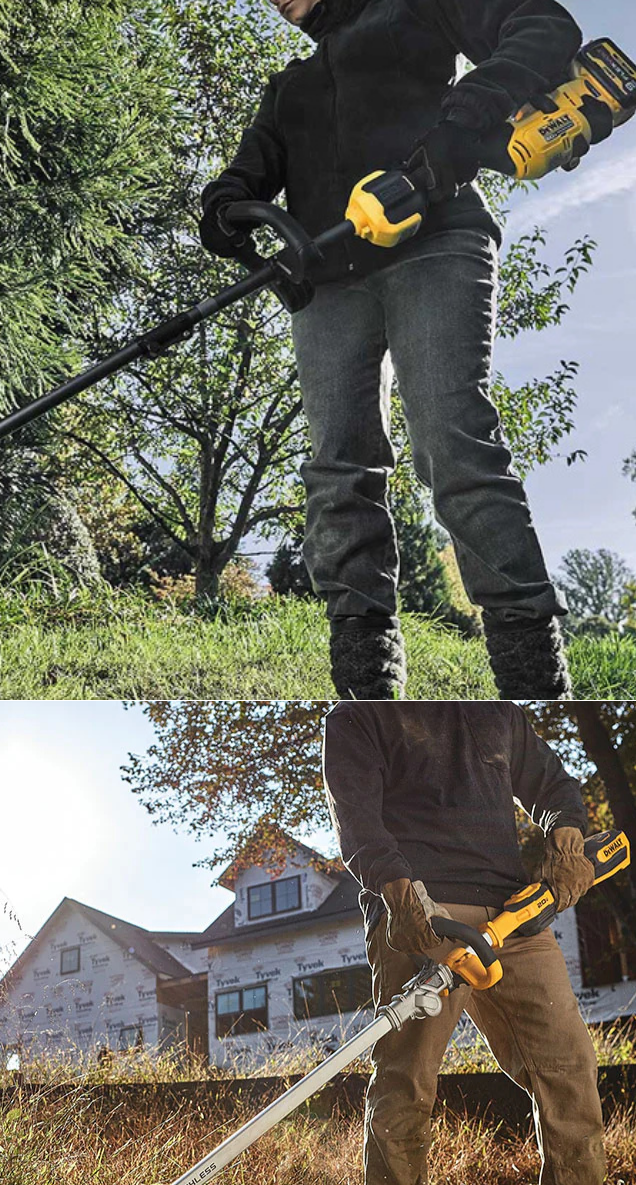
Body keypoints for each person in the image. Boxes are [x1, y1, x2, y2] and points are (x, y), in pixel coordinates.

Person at [199, 0, 588, 700]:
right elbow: (250, 170)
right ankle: (366, 676)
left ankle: (530, 667)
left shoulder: (414, 9)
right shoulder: (290, 86)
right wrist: (225, 204)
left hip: (435, 241)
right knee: (338, 466)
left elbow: (544, 26)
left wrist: (464, 119)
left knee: (449, 436)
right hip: (328, 278)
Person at [320, 700, 634, 1185]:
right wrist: (398, 892)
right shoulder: (361, 712)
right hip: (422, 910)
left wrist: (566, 838)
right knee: (406, 1082)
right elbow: (356, 818)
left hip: (515, 916)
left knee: (569, 1071)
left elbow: (552, 785)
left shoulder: (495, 710)